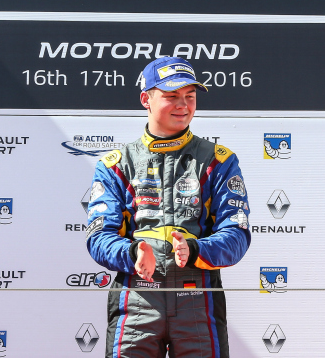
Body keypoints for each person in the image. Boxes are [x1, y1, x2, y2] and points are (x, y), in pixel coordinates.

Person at [85, 57, 251, 358]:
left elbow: (237, 234)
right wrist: (134, 253)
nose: (183, 105)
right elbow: (98, 237)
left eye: (190, 96)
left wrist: (195, 250)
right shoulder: (116, 165)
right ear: (146, 100)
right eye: (172, 96)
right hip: (136, 298)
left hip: (199, 298)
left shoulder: (218, 160)